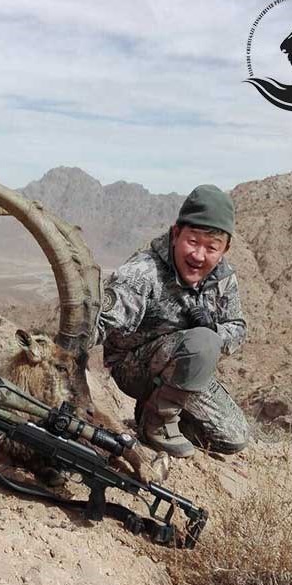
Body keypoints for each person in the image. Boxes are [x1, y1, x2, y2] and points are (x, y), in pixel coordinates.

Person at [93, 184, 249, 457]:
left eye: (211, 247)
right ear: (176, 234)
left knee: (233, 438)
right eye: (193, 242)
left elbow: (237, 328)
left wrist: (213, 330)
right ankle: (157, 424)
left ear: (225, 248)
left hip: (184, 370)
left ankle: (153, 409)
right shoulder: (142, 272)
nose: (198, 256)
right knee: (203, 342)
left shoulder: (223, 278)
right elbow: (101, 322)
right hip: (132, 368)